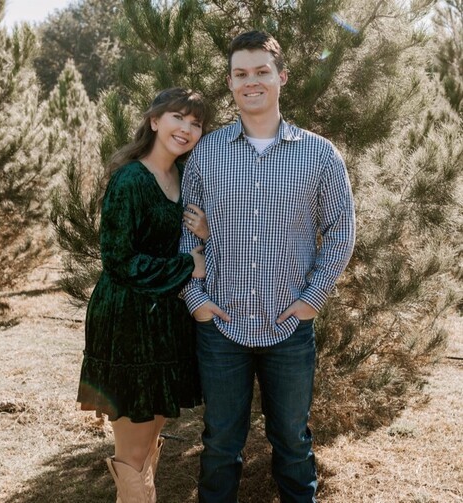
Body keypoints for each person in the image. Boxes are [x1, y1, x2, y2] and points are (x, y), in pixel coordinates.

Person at [179, 31, 356, 502]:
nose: (251, 81)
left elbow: (341, 232)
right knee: (220, 445)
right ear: (230, 82)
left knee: (293, 443)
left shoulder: (319, 154)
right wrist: (196, 301)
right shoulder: (206, 153)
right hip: (221, 326)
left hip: (288, 326)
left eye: (261, 71)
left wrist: (311, 299)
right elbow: (185, 232)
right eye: (241, 73)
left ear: (282, 77)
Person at [76, 87, 211, 503]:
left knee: (149, 442)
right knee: (132, 452)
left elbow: (190, 243)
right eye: (177, 117)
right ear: (154, 121)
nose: (186, 129)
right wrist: (187, 266)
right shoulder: (131, 179)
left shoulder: (185, 177)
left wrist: (207, 233)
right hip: (128, 324)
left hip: (165, 323)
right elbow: (118, 260)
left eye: (195, 123)